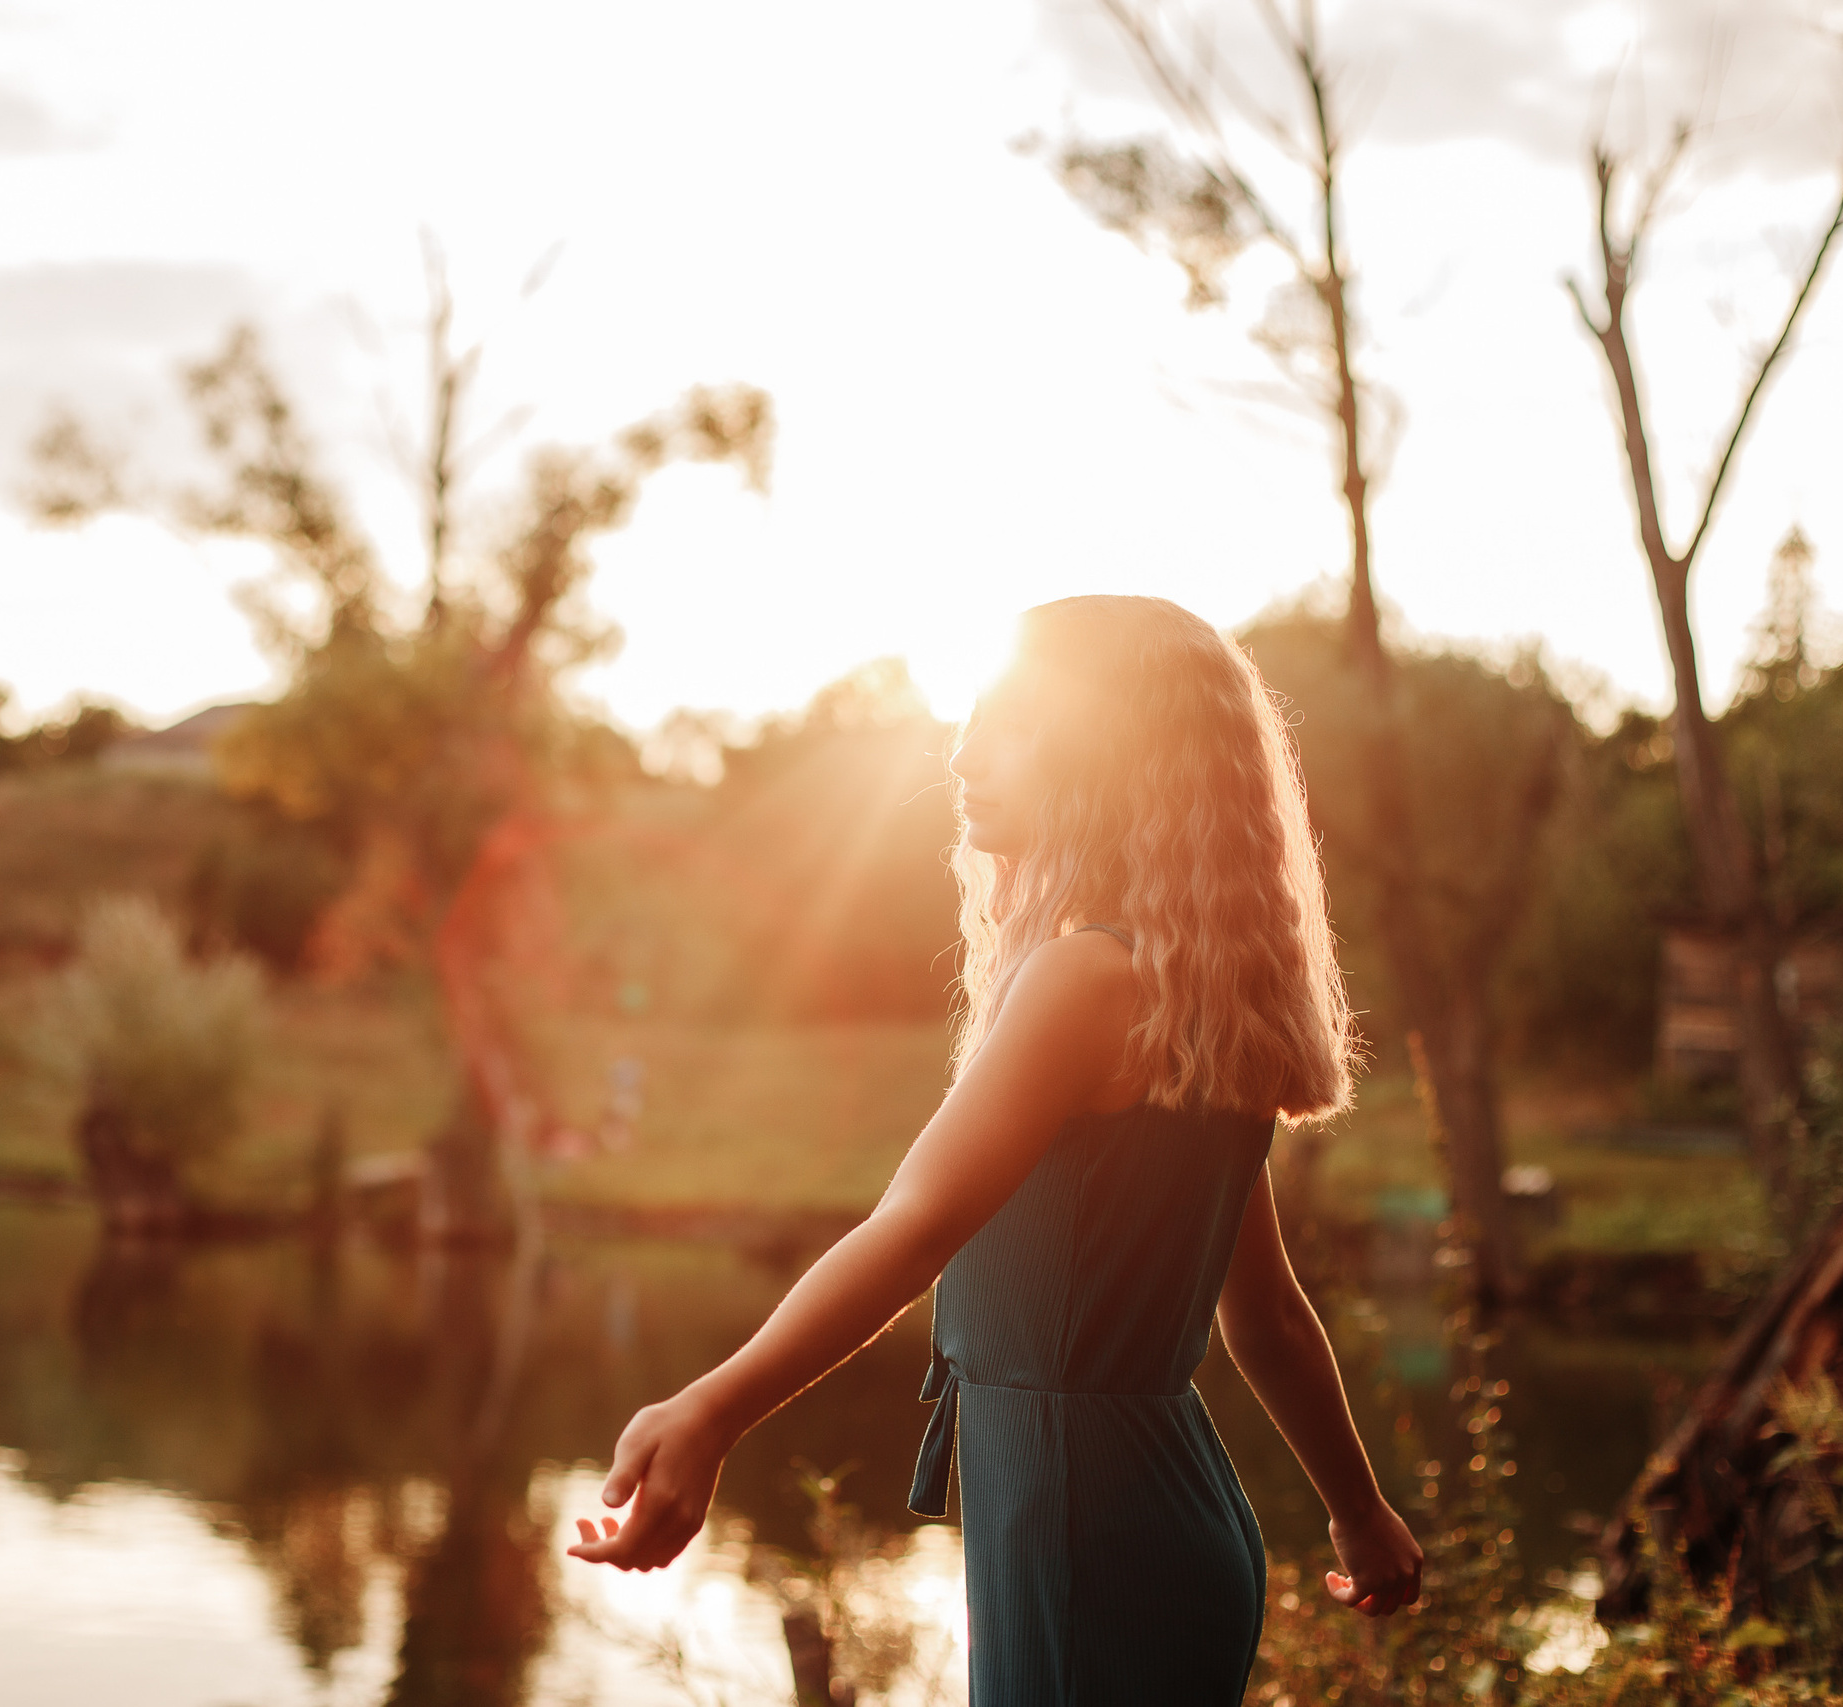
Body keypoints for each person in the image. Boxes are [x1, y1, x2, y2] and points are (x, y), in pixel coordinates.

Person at [569, 595, 1422, 1702]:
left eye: (1012, 722)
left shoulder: (1085, 982)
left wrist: (711, 1410)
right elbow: (1261, 1312)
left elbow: (914, 1225)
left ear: (1112, 753)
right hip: (1160, 1519)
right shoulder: (1183, 1001)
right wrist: (1358, 1512)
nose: (964, 752)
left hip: (1083, 1530)